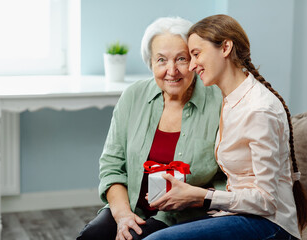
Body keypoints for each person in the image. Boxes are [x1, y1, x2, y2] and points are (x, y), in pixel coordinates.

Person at [144, 14, 307, 240]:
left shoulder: (258, 110)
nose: (192, 66)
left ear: (225, 48)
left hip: (270, 224)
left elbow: (267, 201)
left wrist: (202, 196)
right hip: (236, 213)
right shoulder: (229, 99)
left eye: (196, 54)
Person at [76, 16, 225, 240]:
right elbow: (112, 167)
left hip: (187, 216)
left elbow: (230, 178)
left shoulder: (219, 103)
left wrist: (197, 197)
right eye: (162, 60)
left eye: (181, 59)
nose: (172, 70)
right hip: (131, 207)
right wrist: (123, 215)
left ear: (194, 60)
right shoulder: (133, 96)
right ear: (151, 63)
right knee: (92, 236)